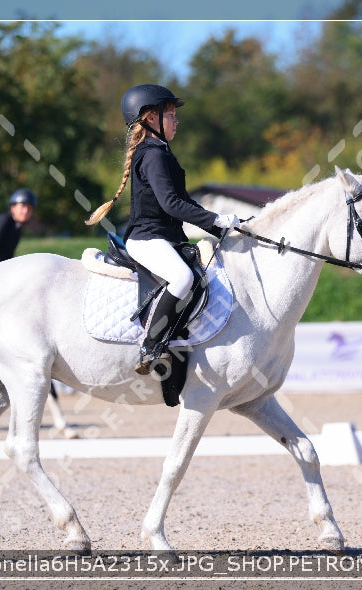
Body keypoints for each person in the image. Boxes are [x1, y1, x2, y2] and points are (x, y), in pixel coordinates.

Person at [84, 83, 240, 374]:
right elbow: (171, 204)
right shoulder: (153, 154)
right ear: (151, 118)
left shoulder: (160, 151)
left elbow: (183, 201)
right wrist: (214, 220)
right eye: (170, 114)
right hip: (147, 239)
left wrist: (221, 226)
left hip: (166, 238)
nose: (177, 120)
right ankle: (151, 344)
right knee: (182, 278)